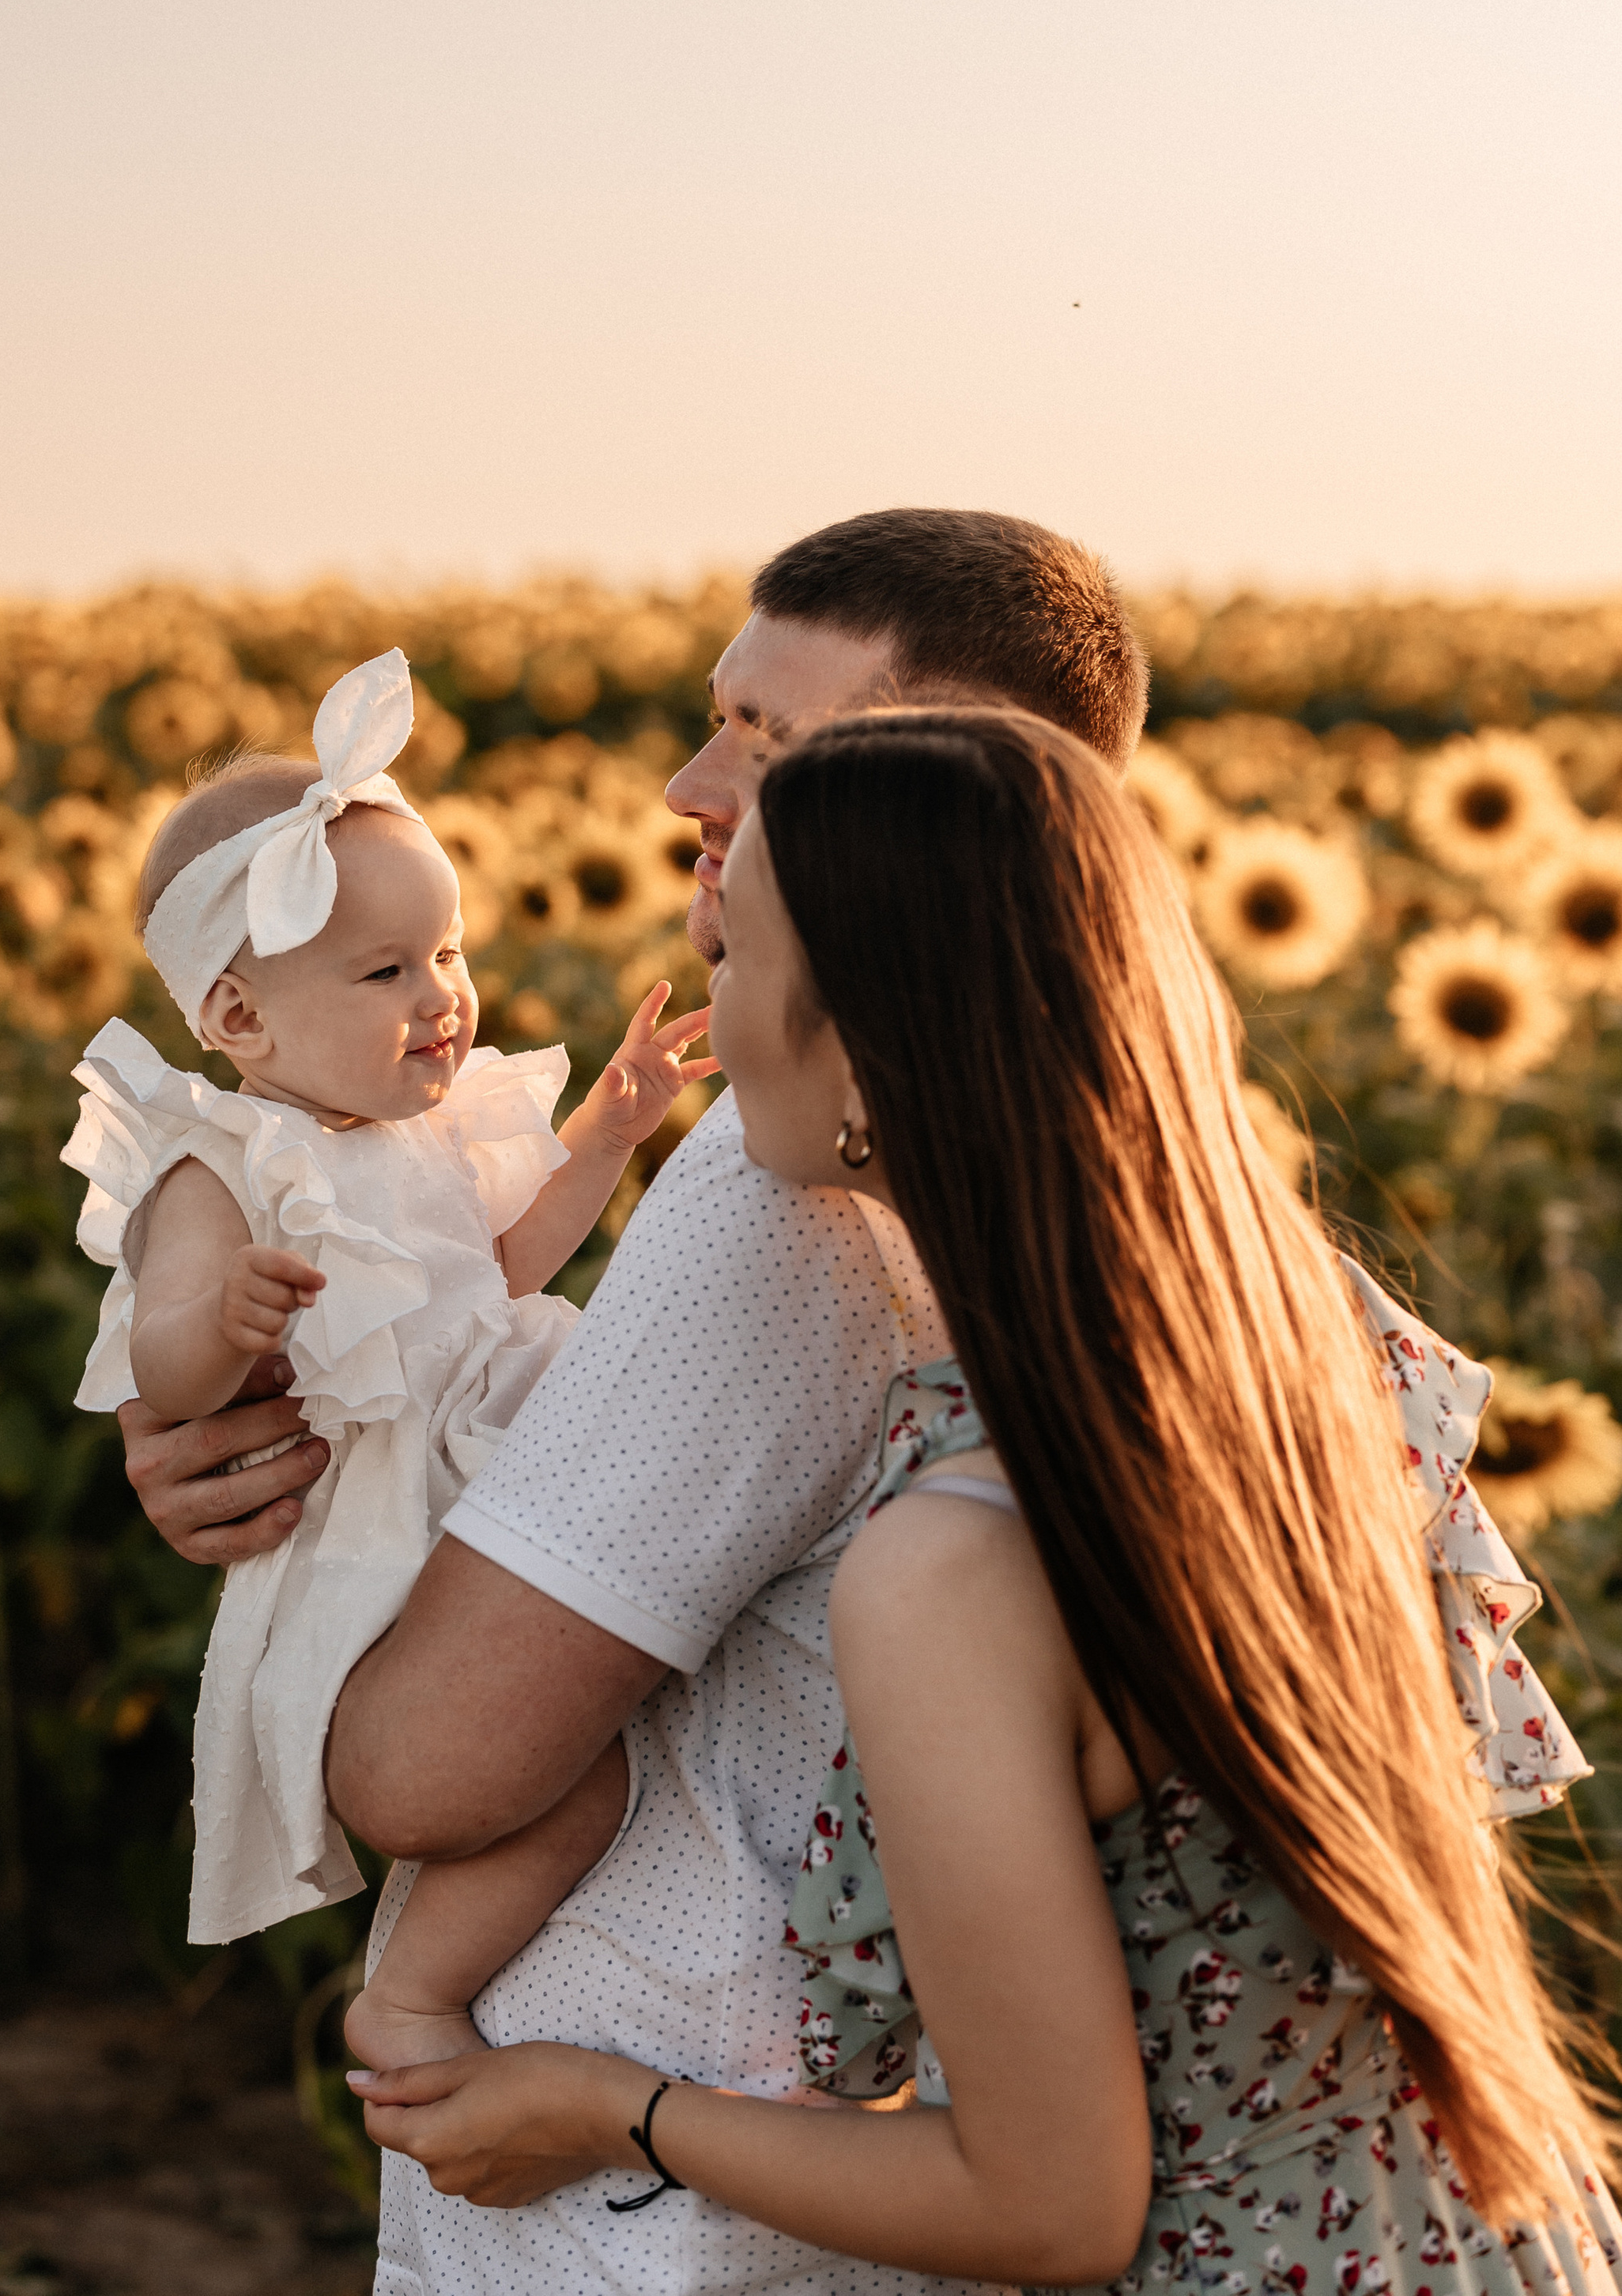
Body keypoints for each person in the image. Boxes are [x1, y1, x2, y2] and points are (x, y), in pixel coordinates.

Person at [352, 707, 1617, 2291]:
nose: (711, 1004)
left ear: (862, 1055)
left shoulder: (957, 1561)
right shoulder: (1266, 1361)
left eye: (734, 959)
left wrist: (614, 2110)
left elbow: (1044, 2203)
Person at [121, 508, 1154, 2296]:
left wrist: (327, 1546)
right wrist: (268, 1413)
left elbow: (417, 1766)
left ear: (955, 790)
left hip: (665, 2216)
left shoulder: (783, 1200)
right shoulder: (1136, 1177)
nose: (686, 785)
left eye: (765, 744)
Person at [62, 645, 712, 1992]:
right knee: (519, 1769)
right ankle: (409, 1992)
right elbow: (162, 1365)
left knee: (605, 1750)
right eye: (384, 974)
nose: (441, 999)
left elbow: (512, 1264)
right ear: (239, 1015)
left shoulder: (430, 1137)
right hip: (387, 1517)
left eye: (449, 953)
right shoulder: (223, 1167)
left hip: (496, 1451)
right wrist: (227, 1317)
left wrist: (604, 1132)